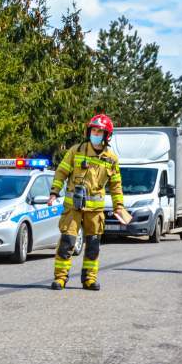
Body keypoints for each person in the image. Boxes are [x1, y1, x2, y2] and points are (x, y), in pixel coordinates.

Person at [48, 114, 125, 291]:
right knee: (67, 242)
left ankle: (89, 279)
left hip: (95, 211)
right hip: (73, 208)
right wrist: (54, 192)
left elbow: (116, 185)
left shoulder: (111, 159)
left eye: (99, 131)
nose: (95, 133)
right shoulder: (76, 151)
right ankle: (60, 278)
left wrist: (118, 207)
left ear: (107, 136)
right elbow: (61, 172)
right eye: (93, 130)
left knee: (93, 245)